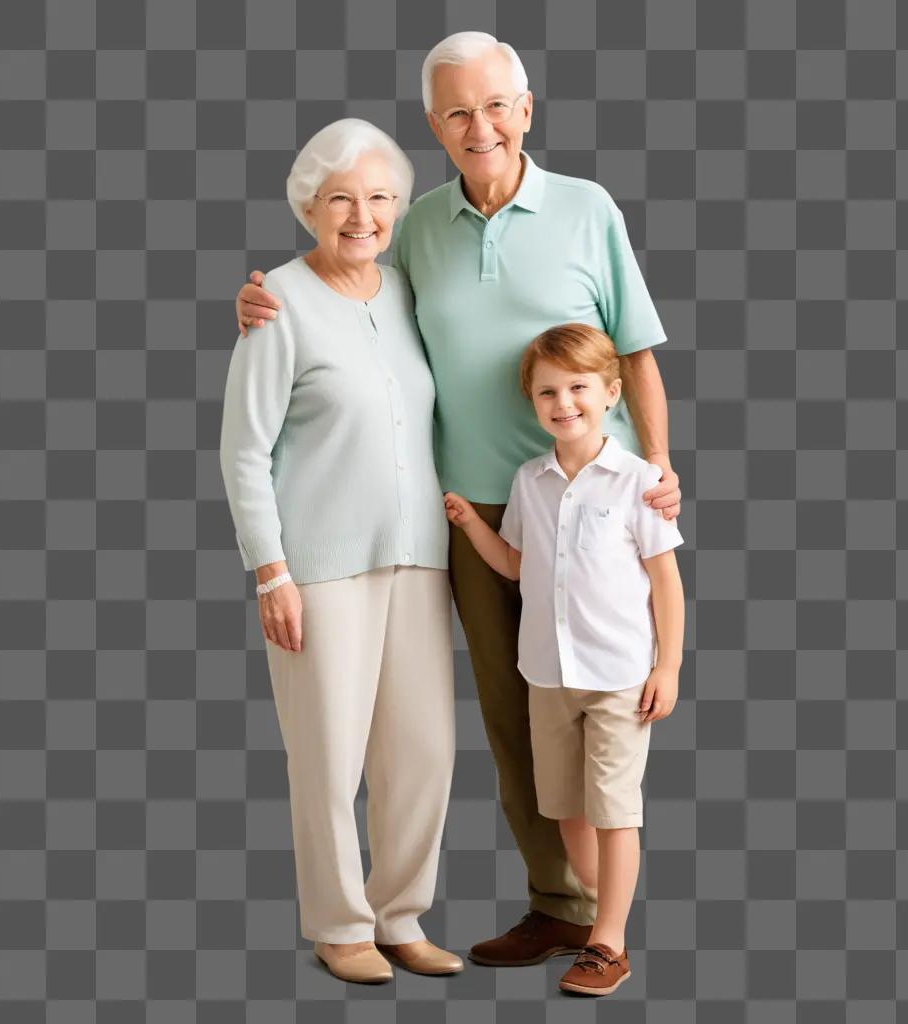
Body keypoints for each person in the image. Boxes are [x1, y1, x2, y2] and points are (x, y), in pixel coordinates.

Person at [232, 31, 683, 965]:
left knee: (607, 702)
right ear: (435, 126)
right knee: (509, 718)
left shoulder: (587, 208)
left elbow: (636, 351)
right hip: (469, 519)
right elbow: (335, 292)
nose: (478, 127)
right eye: (456, 113)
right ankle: (552, 904)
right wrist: (262, 298)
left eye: (494, 106)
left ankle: (608, 920)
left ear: (525, 110)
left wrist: (662, 466)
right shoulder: (417, 228)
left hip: (593, 510)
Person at [219, 118, 462, 984]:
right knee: (328, 752)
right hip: (318, 567)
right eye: (341, 199)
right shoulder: (277, 301)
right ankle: (339, 923)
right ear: (308, 206)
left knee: (424, 748)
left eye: (380, 199)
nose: (363, 215)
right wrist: (269, 570)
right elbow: (243, 449)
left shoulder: (406, 292)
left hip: (418, 557)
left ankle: (401, 915)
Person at [443, 323, 686, 995]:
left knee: (614, 808)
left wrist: (667, 669)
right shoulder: (530, 481)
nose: (563, 403)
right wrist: (470, 526)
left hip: (617, 680)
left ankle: (610, 942)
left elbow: (665, 582)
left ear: (611, 393)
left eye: (579, 387)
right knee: (567, 809)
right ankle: (600, 915)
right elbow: (520, 567)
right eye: (547, 392)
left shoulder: (637, 482)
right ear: (532, 403)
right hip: (547, 677)